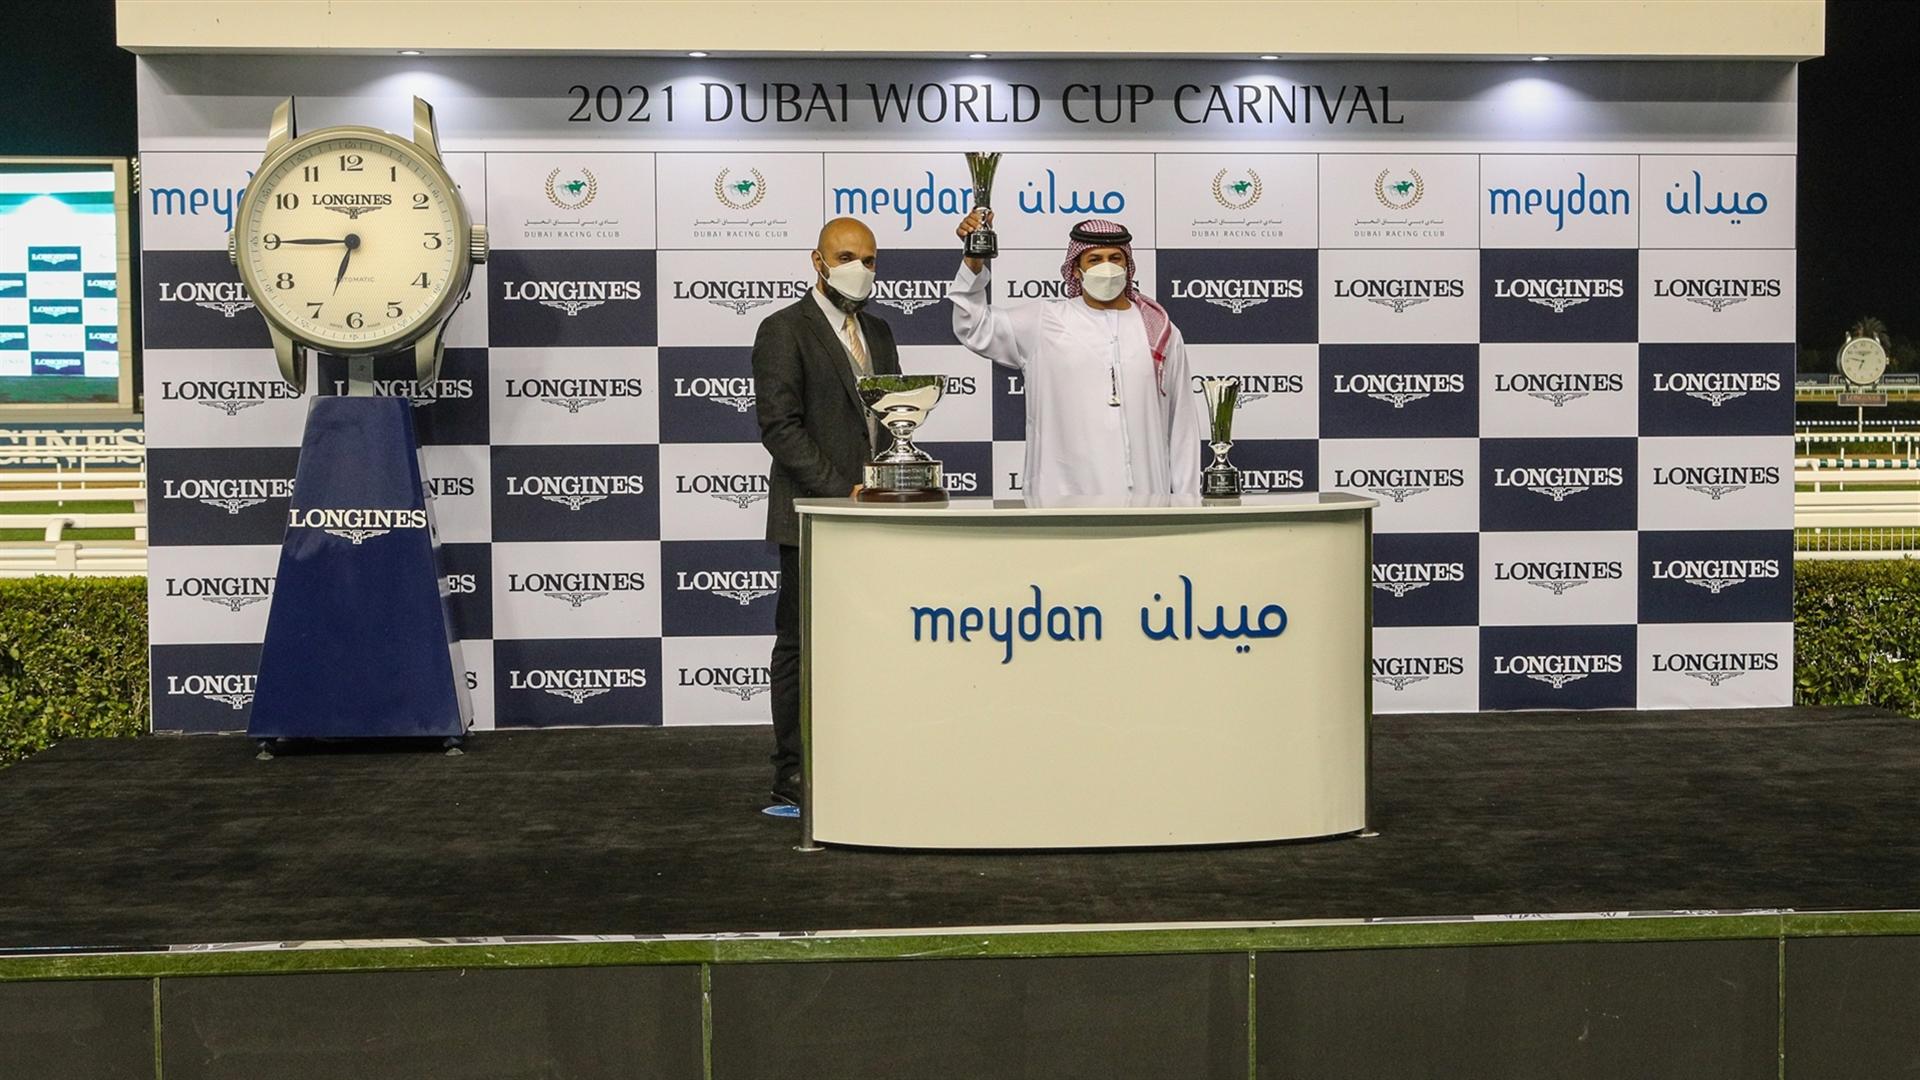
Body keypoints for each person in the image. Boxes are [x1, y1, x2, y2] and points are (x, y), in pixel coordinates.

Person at [752, 217, 899, 808]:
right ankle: (792, 770)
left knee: (869, 640)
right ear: (817, 262)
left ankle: (861, 754)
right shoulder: (783, 329)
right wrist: (843, 491)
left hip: (876, 518)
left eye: (869, 259)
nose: (859, 269)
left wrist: (890, 485)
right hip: (811, 515)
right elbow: (779, 427)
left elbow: (891, 421)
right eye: (845, 257)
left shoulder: (880, 331)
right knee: (800, 644)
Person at [951, 212, 1202, 503]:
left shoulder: (1158, 330)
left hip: (1146, 504)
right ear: (1076, 269)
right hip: (1062, 505)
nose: (1107, 267)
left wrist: (1187, 502)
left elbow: (1182, 424)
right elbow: (973, 326)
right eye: (1094, 259)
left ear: (1128, 266)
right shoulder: (1044, 320)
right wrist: (973, 260)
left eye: (1115, 258)